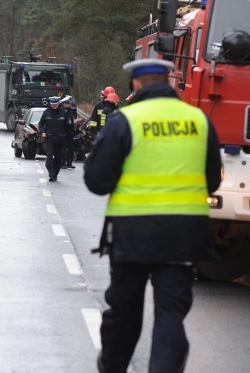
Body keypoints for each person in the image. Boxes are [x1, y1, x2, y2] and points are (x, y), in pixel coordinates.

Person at [84, 58, 222, 373]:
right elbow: (212, 180)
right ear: (169, 81)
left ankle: (113, 366)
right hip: (184, 236)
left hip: (133, 235)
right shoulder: (199, 120)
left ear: (135, 84)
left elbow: (96, 181)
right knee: (171, 313)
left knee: (124, 310)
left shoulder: (125, 121)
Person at [38, 96, 71, 181]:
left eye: (55, 105)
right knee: (49, 157)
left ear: (58, 104)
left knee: (58, 158)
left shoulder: (64, 112)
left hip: (60, 139)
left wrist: (66, 135)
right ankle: (51, 174)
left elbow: (69, 126)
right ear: (50, 104)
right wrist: (43, 132)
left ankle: (55, 173)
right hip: (50, 139)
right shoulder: (46, 112)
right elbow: (40, 124)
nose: (54, 106)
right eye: (52, 105)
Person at [60, 95, 77, 169]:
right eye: (68, 104)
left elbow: (72, 120)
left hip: (70, 132)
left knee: (71, 149)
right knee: (63, 149)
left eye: (70, 104)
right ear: (64, 104)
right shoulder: (61, 111)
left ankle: (69, 163)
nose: (70, 105)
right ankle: (62, 163)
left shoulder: (70, 111)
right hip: (64, 133)